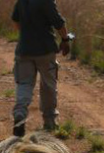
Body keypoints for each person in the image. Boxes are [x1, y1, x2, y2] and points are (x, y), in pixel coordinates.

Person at [11, 0, 71, 137]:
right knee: (48, 85)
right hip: (45, 50)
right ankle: (49, 122)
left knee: (24, 84)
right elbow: (59, 23)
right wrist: (65, 40)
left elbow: (15, 21)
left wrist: (28, 35)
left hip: (24, 50)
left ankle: (20, 113)